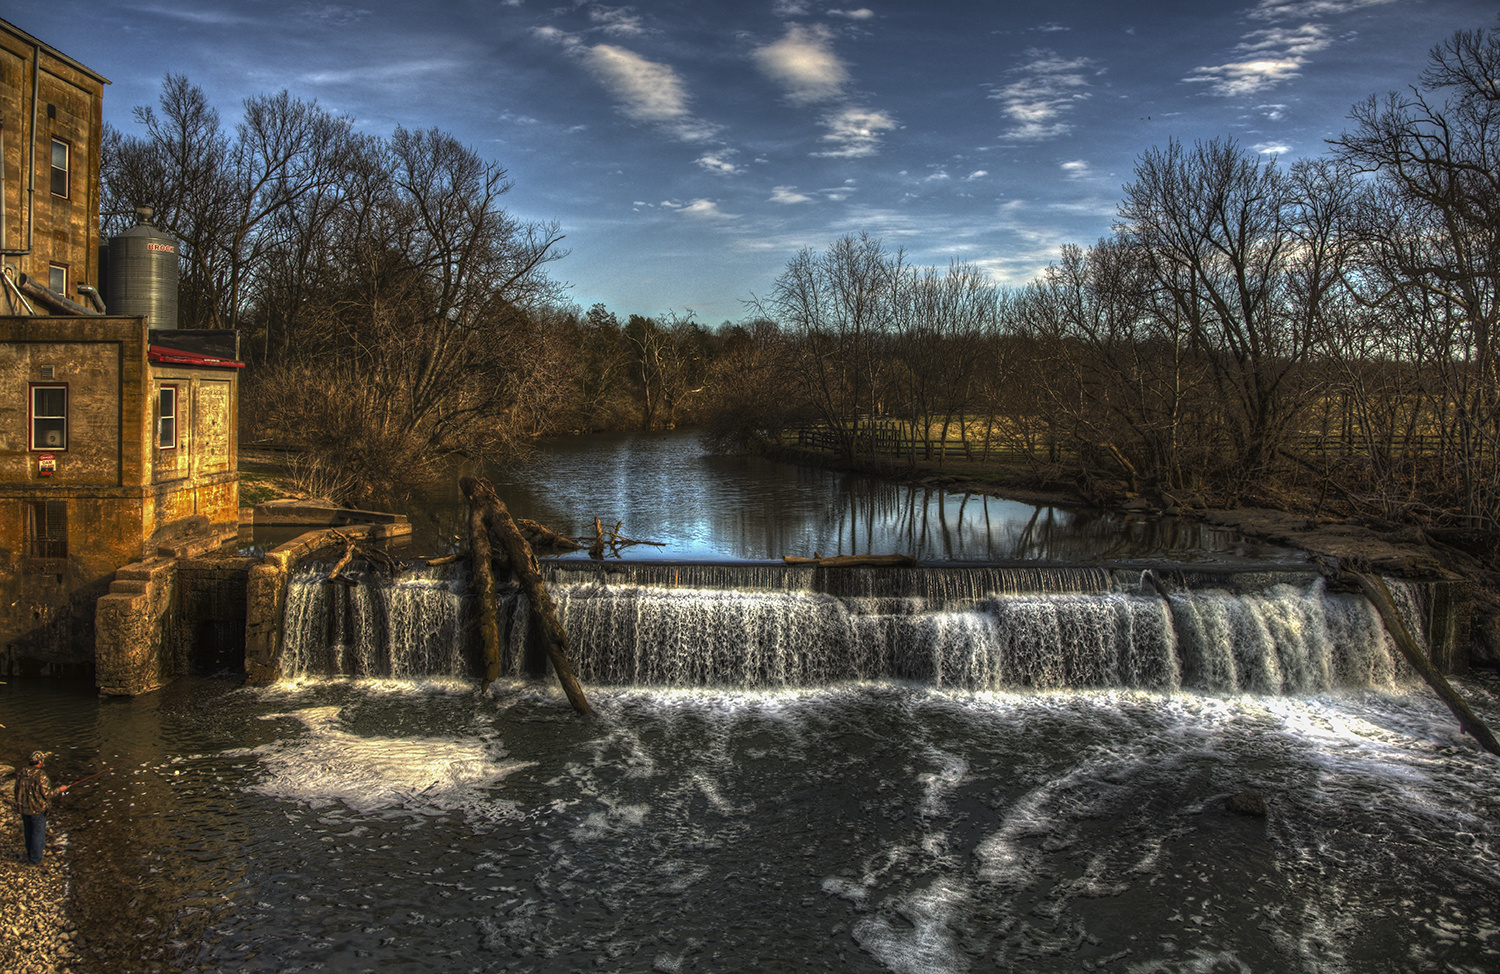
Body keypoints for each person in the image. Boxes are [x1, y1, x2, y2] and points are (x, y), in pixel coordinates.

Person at [14, 751, 67, 866]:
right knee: (38, 834)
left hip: (23, 808)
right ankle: (35, 860)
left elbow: (16, 790)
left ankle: (30, 855)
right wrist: (60, 790)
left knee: (28, 832)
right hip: (36, 810)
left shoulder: (21, 772)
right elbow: (47, 794)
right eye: (42, 760)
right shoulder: (41, 775)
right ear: (40, 762)